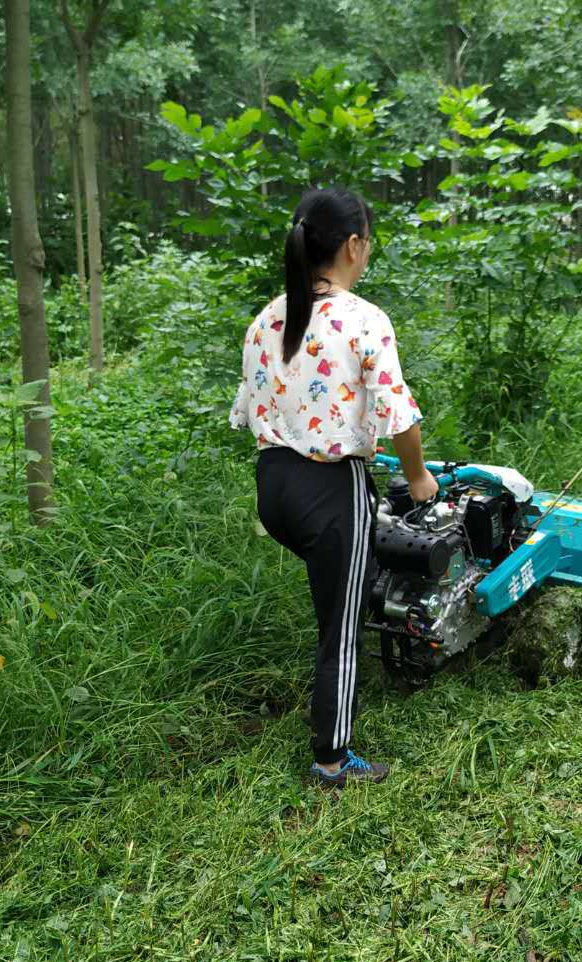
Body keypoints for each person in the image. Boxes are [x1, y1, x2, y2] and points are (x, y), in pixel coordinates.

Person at [229, 186, 439, 787]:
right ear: (352, 245)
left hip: (273, 486)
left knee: (335, 596)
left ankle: (342, 691)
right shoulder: (362, 317)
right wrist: (419, 478)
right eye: (366, 243)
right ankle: (332, 757)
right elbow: (398, 412)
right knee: (342, 627)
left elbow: (250, 406)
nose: (366, 254)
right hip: (329, 488)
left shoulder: (266, 318)